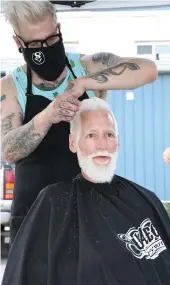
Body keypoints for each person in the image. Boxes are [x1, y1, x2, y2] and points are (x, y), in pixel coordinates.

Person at [1, 1, 158, 244]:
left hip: (91, 210)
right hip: (35, 216)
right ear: (18, 43)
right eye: (34, 44)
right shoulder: (11, 87)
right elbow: (8, 151)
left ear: (60, 29)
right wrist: (47, 116)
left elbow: (148, 70)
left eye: (52, 39)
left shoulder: (87, 66)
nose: (45, 48)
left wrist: (88, 83)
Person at [2, 97, 170, 285]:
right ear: (73, 143)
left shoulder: (146, 200)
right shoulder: (52, 202)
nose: (102, 145)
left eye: (109, 135)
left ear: (118, 142)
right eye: (91, 135)